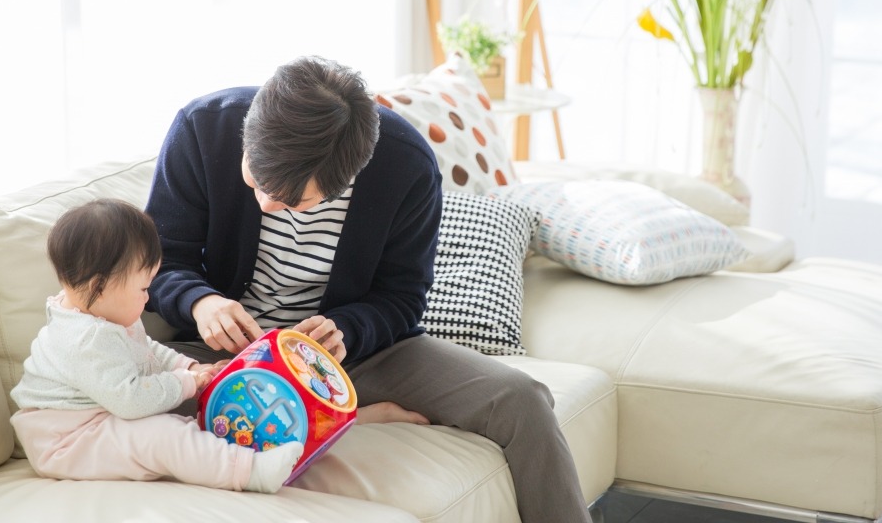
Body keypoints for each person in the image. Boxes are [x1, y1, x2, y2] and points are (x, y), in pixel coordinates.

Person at [145, 56, 593, 522]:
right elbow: (158, 263)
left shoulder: (407, 166)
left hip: (348, 357)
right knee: (108, 387)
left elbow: (403, 297)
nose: (265, 204)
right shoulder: (201, 129)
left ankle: (333, 410)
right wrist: (202, 302)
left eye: (294, 201)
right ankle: (346, 417)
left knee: (521, 399)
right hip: (225, 354)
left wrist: (348, 329)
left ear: (347, 179)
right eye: (254, 180)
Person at [10, 198, 303, 493]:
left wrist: (188, 367)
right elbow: (131, 400)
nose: (148, 297)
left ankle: (231, 451)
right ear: (100, 287)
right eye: (143, 288)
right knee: (163, 436)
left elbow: (145, 349)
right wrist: (186, 383)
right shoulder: (85, 339)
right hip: (65, 440)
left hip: (96, 418)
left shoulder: (103, 310)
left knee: (173, 423)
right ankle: (251, 472)